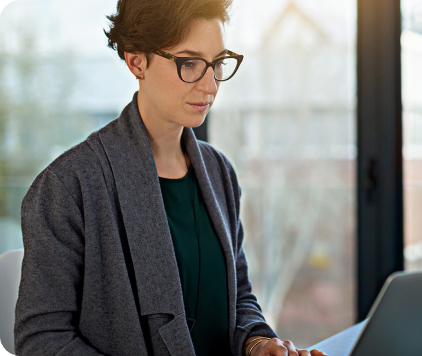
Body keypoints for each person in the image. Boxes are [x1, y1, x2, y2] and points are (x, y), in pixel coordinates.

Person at [13, 0, 330, 355]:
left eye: (218, 63)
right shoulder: (68, 186)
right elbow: (41, 339)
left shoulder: (218, 172)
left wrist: (257, 343)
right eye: (190, 63)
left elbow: (238, 297)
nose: (210, 85)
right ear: (136, 61)